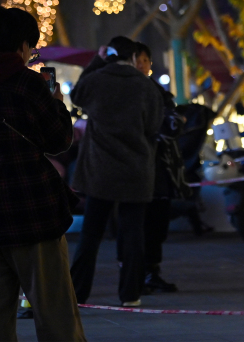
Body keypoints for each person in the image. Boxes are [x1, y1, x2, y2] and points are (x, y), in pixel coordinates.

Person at [0, 6, 85, 342]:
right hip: (31, 218)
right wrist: (56, 101)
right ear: (21, 45)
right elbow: (59, 141)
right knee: (55, 316)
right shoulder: (27, 83)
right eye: (31, 48)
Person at [70, 35, 164, 307]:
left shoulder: (96, 80)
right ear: (134, 57)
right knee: (133, 233)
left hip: (100, 169)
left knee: (91, 233)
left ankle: (78, 293)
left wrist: (96, 62)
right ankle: (130, 295)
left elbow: (77, 96)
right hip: (136, 169)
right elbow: (153, 126)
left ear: (108, 54)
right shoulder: (146, 87)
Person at [134, 42, 190, 294]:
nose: (141, 65)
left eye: (145, 60)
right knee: (137, 226)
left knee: (157, 225)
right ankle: (136, 274)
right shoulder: (125, 91)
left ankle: (151, 272)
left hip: (162, 170)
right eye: (137, 59)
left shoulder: (158, 92)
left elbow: (173, 125)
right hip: (136, 170)